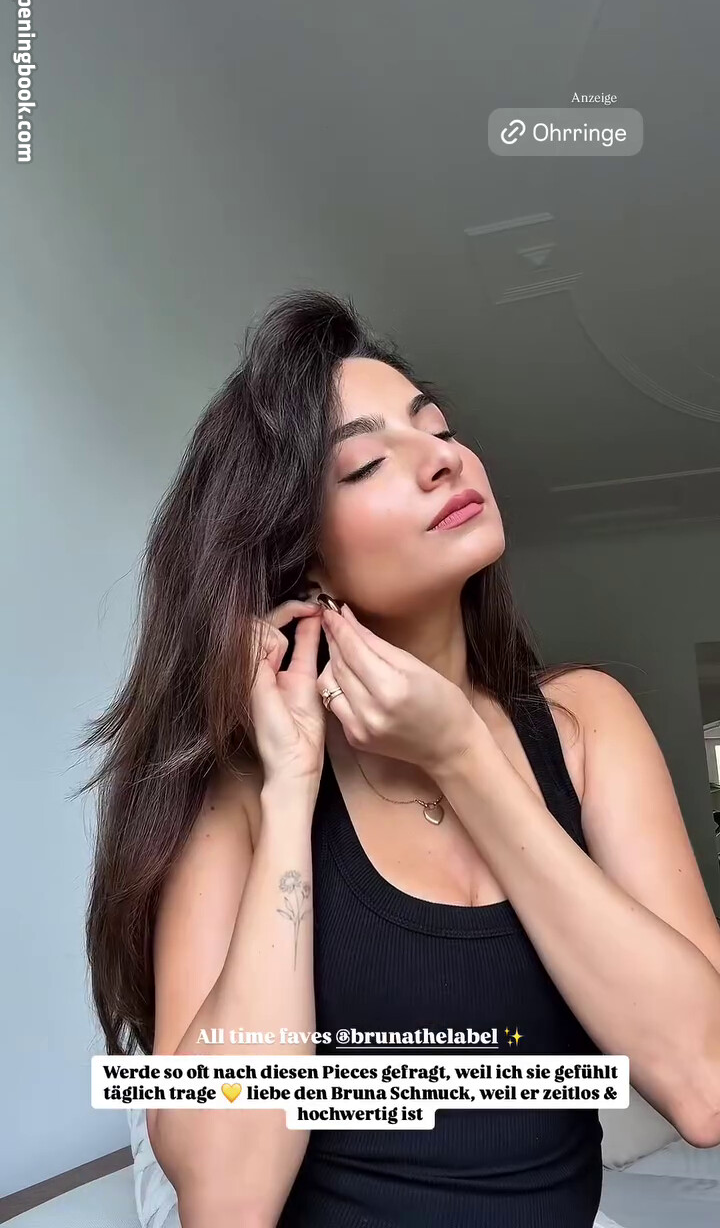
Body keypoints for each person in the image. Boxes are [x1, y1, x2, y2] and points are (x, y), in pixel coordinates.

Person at [81, 289, 720, 1228]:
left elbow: (704, 1084)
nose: (444, 458)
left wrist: (462, 755)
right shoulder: (245, 791)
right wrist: (292, 790)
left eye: (441, 429)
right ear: (304, 561)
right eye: (369, 462)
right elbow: (227, 1199)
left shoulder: (586, 726)